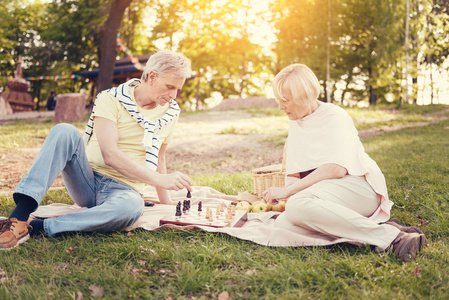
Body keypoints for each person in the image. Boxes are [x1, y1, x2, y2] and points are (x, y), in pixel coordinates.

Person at [0, 49, 193, 250]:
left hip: (125, 191)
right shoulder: (110, 98)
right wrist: (159, 179)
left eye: (177, 89)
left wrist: (166, 200)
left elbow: (159, 157)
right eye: (170, 86)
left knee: (131, 208)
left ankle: (40, 226)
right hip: (88, 181)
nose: (173, 95)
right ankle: (18, 217)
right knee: (64, 131)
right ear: (152, 77)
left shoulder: (171, 112)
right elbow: (110, 154)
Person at [262, 64, 426, 262]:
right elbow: (296, 170)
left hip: (359, 187)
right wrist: (287, 197)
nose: (281, 107)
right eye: (279, 100)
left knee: (298, 206)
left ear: (303, 96)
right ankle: (382, 229)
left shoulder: (335, 116)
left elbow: (336, 169)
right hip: (325, 192)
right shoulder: (296, 121)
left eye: (285, 101)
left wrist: (289, 194)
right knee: (283, 225)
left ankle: (394, 239)